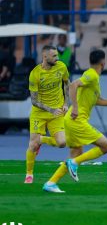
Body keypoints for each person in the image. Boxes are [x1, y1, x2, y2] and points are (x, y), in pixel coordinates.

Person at [42, 49, 107, 193]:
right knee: (106, 146)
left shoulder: (94, 78)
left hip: (71, 120)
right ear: (103, 62)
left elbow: (97, 100)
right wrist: (74, 107)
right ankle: (73, 163)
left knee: (76, 153)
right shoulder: (91, 74)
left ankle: (51, 183)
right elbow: (73, 85)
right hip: (76, 120)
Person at [24, 45, 70, 184]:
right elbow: (34, 100)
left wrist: (66, 103)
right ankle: (29, 174)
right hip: (40, 113)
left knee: (62, 143)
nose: (58, 58)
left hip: (57, 112)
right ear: (45, 56)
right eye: (54, 56)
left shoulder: (61, 67)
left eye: (57, 55)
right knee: (32, 145)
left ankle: (42, 140)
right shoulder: (35, 74)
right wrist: (50, 109)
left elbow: (67, 84)